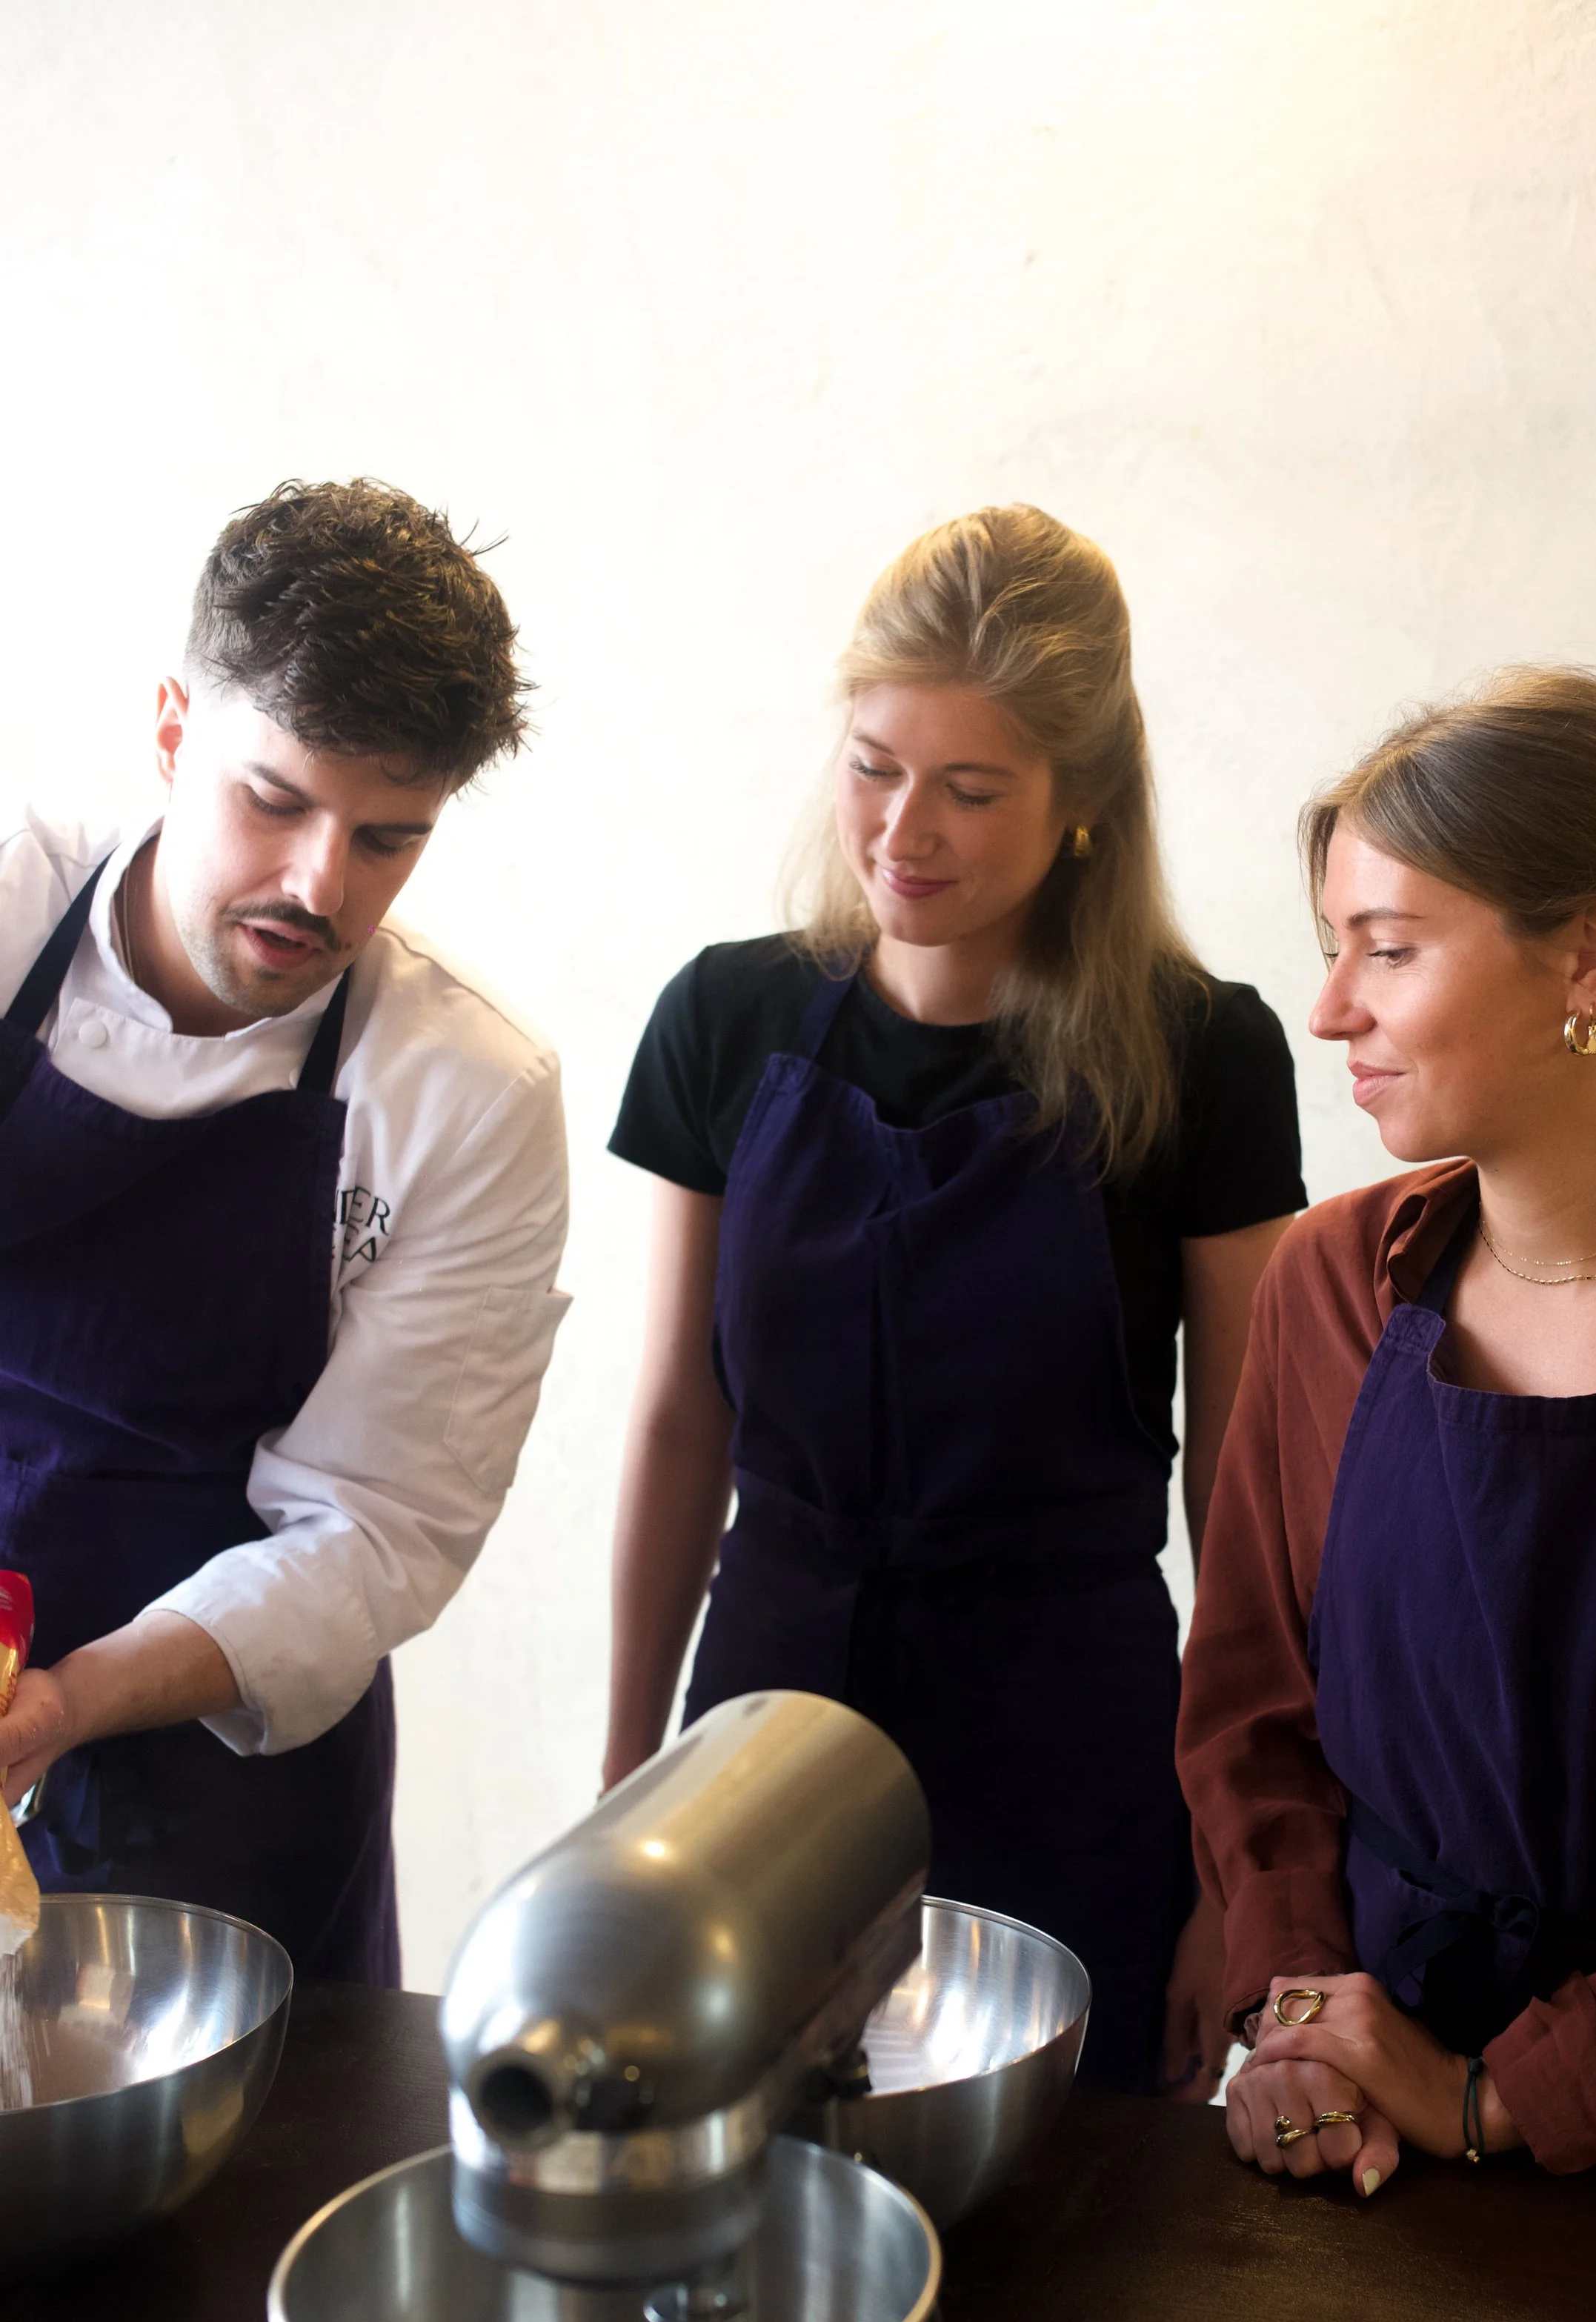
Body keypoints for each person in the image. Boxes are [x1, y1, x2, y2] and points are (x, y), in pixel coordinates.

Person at [605, 505, 1303, 2089]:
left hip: (1070, 1728)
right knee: (747, 2194)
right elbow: (674, 1419)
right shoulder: (726, 1020)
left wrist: (1241, 1863)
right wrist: (624, 1774)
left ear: (1081, 804)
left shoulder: (1202, 1053)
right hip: (760, 1714)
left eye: (969, 788)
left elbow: (1250, 1489)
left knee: (1076, 2231)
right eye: (871, 765)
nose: (902, 829)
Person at [1178, 667, 1596, 2193]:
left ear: (1588, 957)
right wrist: (1302, 2032)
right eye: (1329, 950)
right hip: (1362, 2144)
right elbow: (1247, 1716)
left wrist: (1491, 2096)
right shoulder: (1330, 1289)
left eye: (1387, 950)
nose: (1326, 1007)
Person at [0, 480, 569, 1980]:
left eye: (388, 838)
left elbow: (378, 1528)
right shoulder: (7, 909)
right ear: (178, 728)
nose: (322, 885)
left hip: (228, 1793)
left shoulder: (463, 1092)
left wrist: (63, 1704)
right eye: (276, 801)